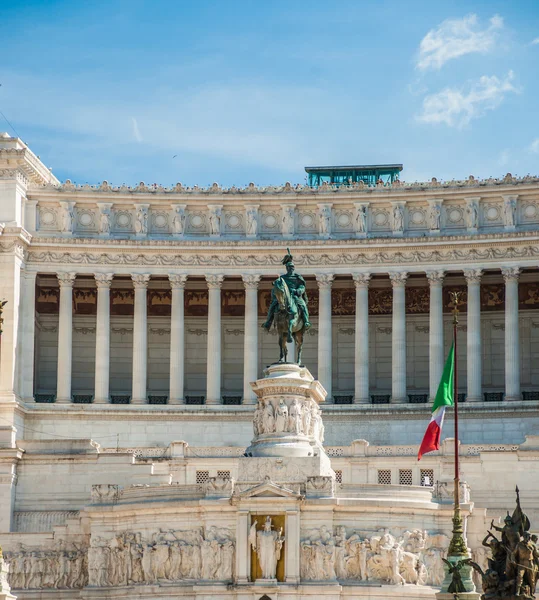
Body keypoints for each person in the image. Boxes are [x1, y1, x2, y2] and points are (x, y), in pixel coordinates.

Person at [262, 249, 311, 332]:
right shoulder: (282, 278)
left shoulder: (297, 277)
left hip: (295, 296)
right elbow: (277, 286)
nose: (290, 269)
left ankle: (306, 321)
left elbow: (302, 287)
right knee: (272, 306)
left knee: (302, 305)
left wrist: (298, 290)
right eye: (289, 267)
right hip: (284, 296)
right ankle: (268, 322)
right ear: (287, 268)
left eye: (292, 267)